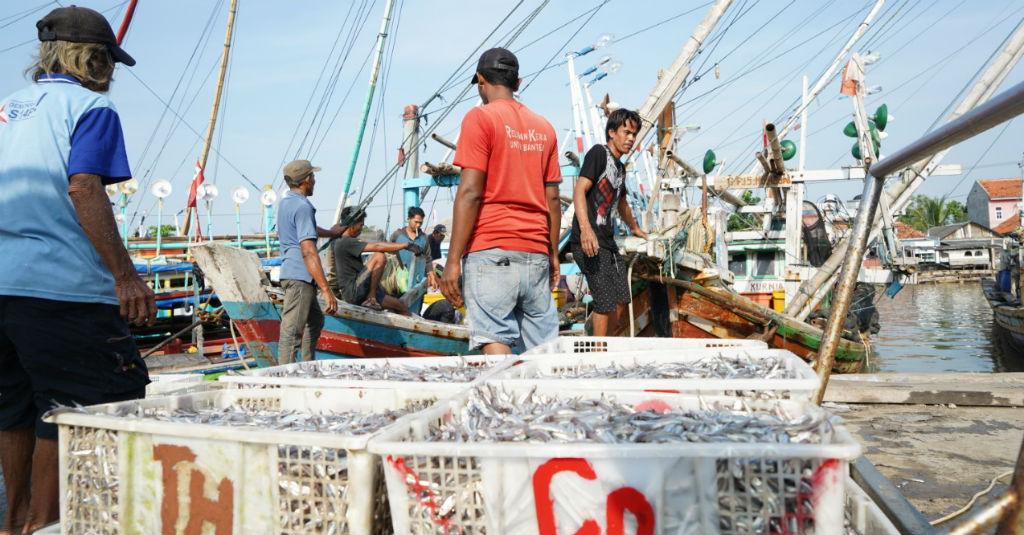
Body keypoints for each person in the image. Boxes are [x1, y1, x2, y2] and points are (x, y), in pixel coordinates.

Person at [0, 7, 154, 533]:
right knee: (77, 405)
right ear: (92, 59)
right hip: (62, 290)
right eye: (109, 62)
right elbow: (85, 187)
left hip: (3, 287)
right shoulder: (92, 110)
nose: (111, 74)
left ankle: (16, 519)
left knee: (14, 408)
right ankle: (43, 525)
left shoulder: (6, 109)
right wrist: (126, 275)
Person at [439, 48, 562, 354]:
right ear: (517, 83)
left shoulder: (480, 118)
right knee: (541, 353)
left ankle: (505, 402)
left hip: (492, 251)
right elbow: (554, 198)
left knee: (494, 338)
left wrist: (452, 261)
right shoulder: (544, 127)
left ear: (481, 80)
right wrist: (553, 254)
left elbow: (470, 192)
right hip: (536, 255)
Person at [570, 108, 649, 336]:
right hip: (588, 241)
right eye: (626, 132)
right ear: (612, 132)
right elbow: (579, 191)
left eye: (634, 134)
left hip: (608, 243)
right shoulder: (598, 154)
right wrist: (585, 230)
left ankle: (608, 346)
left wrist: (635, 228)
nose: (631, 139)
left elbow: (622, 203)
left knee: (622, 299)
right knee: (604, 301)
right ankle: (599, 356)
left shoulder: (621, 168)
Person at [277, 159, 346, 364]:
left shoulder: (286, 203)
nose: (315, 181)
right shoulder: (303, 207)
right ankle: (285, 377)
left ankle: (307, 364)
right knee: (292, 331)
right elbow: (308, 251)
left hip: (292, 272)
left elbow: (307, 230)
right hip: (300, 275)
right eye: (313, 177)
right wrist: (326, 289)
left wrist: (331, 233)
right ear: (306, 180)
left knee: (315, 321)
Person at [334, 207, 412, 315]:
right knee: (379, 256)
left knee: (400, 305)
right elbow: (377, 246)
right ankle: (372, 297)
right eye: (361, 225)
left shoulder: (340, 241)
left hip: (358, 289)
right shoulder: (346, 242)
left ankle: (372, 296)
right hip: (353, 293)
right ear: (352, 224)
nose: (361, 228)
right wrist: (405, 245)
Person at [388, 206, 437, 313]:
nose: (418, 225)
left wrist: (432, 276)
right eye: (416, 222)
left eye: (420, 223)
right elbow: (388, 254)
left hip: (417, 282)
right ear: (409, 219)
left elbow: (428, 259)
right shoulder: (397, 235)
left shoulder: (424, 238)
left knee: (414, 309)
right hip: (397, 282)